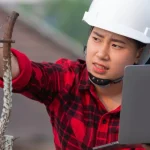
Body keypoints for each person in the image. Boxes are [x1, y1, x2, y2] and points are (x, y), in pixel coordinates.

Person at [0, 0, 150, 149]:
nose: (101, 54)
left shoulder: (146, 100)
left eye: (116, 45)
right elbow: (23, 72)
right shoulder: (66, 80)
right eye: (97, 39)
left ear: (139, 53)